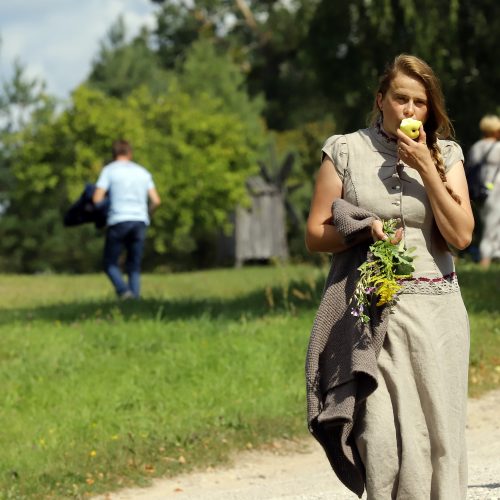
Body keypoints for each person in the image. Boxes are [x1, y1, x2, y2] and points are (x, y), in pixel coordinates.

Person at [305, 54, 474, 499]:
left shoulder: (447, 154)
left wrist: (426, 169)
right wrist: (363, 230)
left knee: (439, 437)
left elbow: (461, 235)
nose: (410, 110)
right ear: (381, 99)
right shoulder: (344, 150)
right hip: (371, 311)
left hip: (437, 314)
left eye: (420, 102)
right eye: (401, 98)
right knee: (379, 437)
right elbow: (315, 233)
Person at [93, 139, 161, 299]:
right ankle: (134, 299)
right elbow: (157, 201)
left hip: (118, 219)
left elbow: (97, 199)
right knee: (134, 265)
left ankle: (124, 292)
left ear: (114, 154)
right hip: (140, 220)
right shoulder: (143, 172)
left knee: (110, 263)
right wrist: (147, 214)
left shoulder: (109, 171)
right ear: (130, 153)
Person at [467, 114, 500, 268]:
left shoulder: (476, 146)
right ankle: (485, 260)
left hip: (478, 191)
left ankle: (494, 255)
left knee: (488, 222)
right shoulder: (498, 147)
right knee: (491, 224)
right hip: (495, 191)